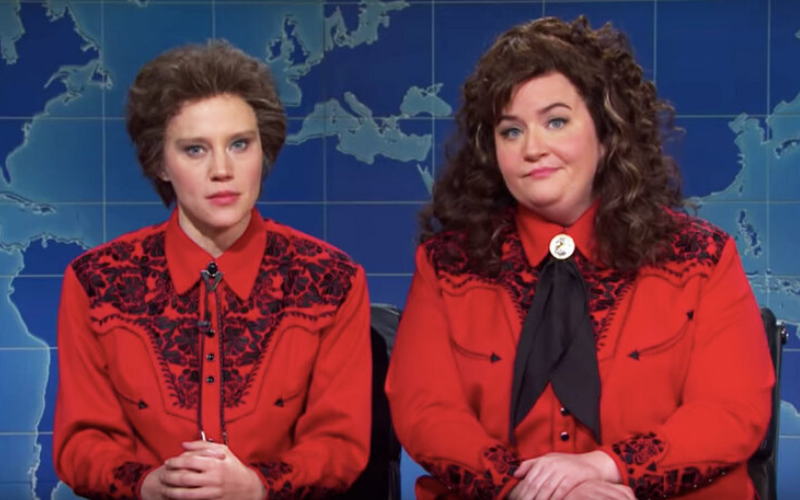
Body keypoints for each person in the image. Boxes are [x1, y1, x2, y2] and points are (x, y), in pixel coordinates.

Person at [385, 16, 774, 500]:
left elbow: (732, 413)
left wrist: (608, 468)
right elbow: (425, 413)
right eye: (510, 131)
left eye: (556, 121)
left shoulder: (702, 257)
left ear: (606, 134)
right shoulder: (445, 266)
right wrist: (535, 490)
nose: (533, 148)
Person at [53, 40, 372, 500]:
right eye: (195, 150)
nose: (223, 170)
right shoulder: (97, 282)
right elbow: (82, 442)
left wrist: (258, 486)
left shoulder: (331, 280)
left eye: (240, 144)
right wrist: (146, 485)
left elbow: (339, 444)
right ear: (161, 163)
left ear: (264, 152)